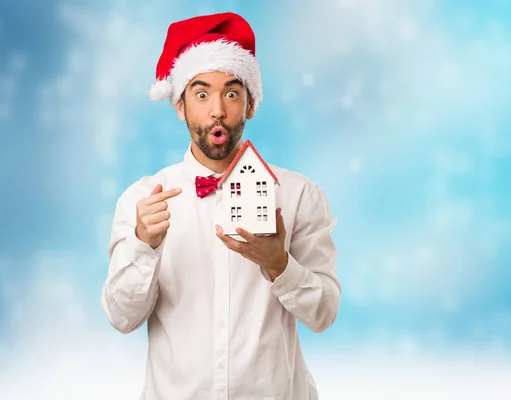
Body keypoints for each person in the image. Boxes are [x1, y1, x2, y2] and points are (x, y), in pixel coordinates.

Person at [100, 12, 341, 400]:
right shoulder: (142, 201)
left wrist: (280, 265)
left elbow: (324, 313)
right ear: (179, 106)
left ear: (251, 105)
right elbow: (121, 317)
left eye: (231, 93)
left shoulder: (298, 195)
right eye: (201, 94)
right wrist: (144, 246)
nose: (217, 110)